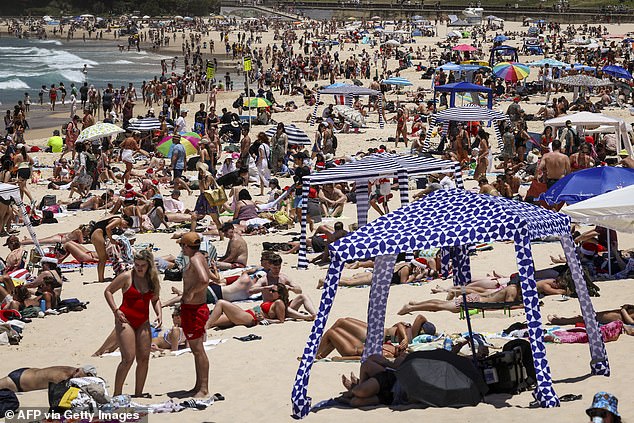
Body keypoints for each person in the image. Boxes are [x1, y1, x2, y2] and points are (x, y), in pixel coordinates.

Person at [104, 249, 161, 397]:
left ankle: (139, 393)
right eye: (136, 265)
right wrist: (115, 310)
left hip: (143, 321)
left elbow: (155, 299)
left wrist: (159, 313)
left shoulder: (152, 279)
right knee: (128, 358)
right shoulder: (127, 276)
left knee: (143, 359)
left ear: (148, 265)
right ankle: (117, 394)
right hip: (125, 320)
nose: (139, 268)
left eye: (142, 265)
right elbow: (108, 291)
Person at [316, 315, 436, 360]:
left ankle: (318, 352)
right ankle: (321, 353)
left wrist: (404, 337)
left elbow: (420, 317)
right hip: (377, 332)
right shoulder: (408, 335)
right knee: (343, 321)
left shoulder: (410, 338)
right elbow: (399, 324)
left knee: (340, 323)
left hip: (375, 335)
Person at [179, 232, 211, 399]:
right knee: (196, 350)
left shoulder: (194, 259)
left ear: (186, 246)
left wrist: (190, 293)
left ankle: (204, 388)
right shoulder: (200, 257)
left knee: (198, 350)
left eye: (181, 245)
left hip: (195, 309)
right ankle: (198, 385)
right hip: (194, 308)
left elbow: (205, 280)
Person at [206, 283, 292, 328]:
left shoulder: (279, 303)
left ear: (279, 294)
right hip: (246, 314)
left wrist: (265, 320)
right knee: (213, 322)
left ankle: (205, 329)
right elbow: (260, 308)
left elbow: (281, 321)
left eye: (273, 291)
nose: (270, 292)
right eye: (270, 290)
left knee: (221, 303)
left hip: (251, 318)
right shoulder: (272, 301)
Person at [90, 215, 133, 282]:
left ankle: (101, 278)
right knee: (102, 258)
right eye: (126, 226)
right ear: (125, 221)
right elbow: (107, 228)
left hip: (96, 233)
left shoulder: (115, 218)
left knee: (102, 258)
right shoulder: (118, 220)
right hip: (97, 233)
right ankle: (101, 279)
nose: (124, 227)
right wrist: (111, 239)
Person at [0, 366, 97, 392]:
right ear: (78, 370)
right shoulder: (63, 377)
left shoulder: (71, 370)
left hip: (26, 372)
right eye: (82, 376)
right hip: (18, 381)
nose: (80, 379)